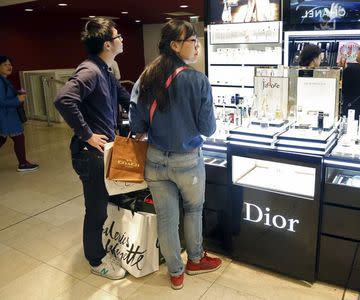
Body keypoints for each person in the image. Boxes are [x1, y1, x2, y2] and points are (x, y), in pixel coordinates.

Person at [129, 19, 221, 290]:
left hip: (155, 160)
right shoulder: (198, 80)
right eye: (192, 41)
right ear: (175, 45)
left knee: (167, 218)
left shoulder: (146, 76)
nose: (197, 46)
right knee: (193, 210)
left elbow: (136, 125)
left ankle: (175, 272)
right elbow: (209, 128)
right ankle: (195, 260)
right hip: (187, 161)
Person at [54, 17, 130, 280]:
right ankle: (96, 261)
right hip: (91, 155)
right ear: (108, 44)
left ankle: (102, 247)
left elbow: (123, 96)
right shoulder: (90, 70)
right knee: (96, 208)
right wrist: (86, 134)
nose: (122, 40)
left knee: (104, 204)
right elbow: (63, 99)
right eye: (118, 36)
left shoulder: (106, 68)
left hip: (104, 151)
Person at [0, 55, 39, 172]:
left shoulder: (4, 80)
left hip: (8, 116)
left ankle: (23, 163)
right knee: (19, 138)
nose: (9, 67)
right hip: (6, 116)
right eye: (5, 64)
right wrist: (18, 99)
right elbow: (1, 101)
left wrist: (17, 93)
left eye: (10, 64)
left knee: (3, 138)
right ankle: (23, 164)